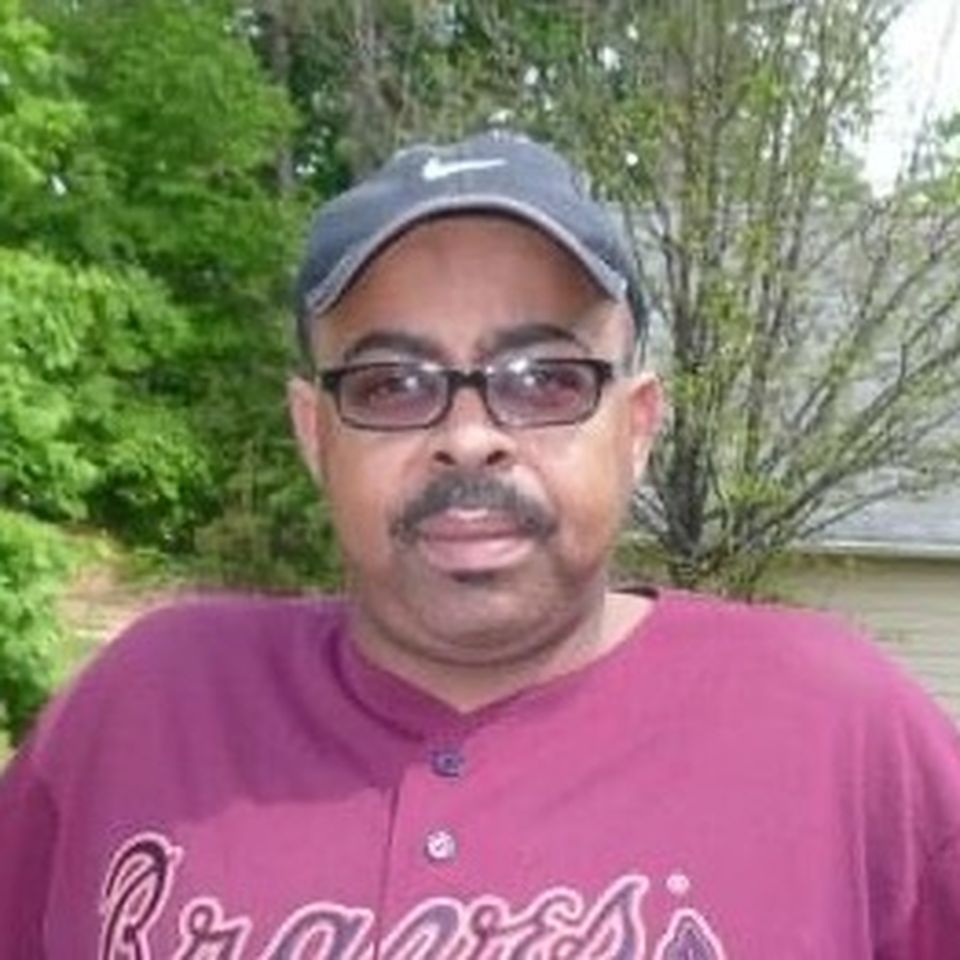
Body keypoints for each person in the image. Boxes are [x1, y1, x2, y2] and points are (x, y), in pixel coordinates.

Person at [1, 131, 959, 959]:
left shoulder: (840, 733)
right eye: (391, 384)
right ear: (314, 433)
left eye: (545, 380)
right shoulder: (143, 714)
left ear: (636, 425)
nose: (468, 436)